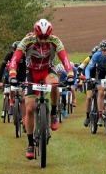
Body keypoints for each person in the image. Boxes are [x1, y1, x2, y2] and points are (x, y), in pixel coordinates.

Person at [9, 19, 75, 160]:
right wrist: (13, 74)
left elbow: (65, 59)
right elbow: (15, 58)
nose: (44, 41)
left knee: (55, 83)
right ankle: (31, 144)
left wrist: (70, 73)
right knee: (30, 108)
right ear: (35, 33)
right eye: (41, 38)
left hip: (47, 70)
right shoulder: (27, 40)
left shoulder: (55, 40)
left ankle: (53, 113)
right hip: (31, 72)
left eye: (46, 38)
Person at [0, 41, 26, 122]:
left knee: (23, 97)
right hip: (12, 74)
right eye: (15, 50)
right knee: (11, 89)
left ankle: (24, 117)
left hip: (22, 76)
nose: (16, 52)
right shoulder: (9, 54)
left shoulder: (25, 55)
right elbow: (2, 66)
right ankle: (11, 104)